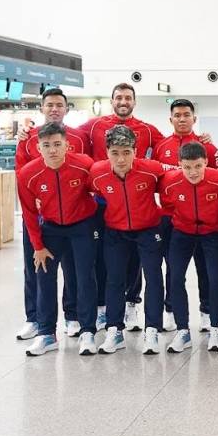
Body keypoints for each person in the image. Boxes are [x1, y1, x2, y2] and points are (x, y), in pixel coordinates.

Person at [78, 83, 167, 333]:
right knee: (105, 259)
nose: (123, 101)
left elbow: (170, 150)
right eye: (119, 97)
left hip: (137, 202)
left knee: (136, 258)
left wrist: (200, 141)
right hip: (105, 202)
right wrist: (29, 134)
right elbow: (65, 136)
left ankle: (131, 304)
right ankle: (104, 309)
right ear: (112, 101)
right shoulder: (94, 125)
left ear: (134, 102)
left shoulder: (147, 129)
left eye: (128, 97)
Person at [14, 87, 92, 341]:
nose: (55, 109)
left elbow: (88, 173)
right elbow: (22, 173)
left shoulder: (80, 137)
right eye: (50, 105)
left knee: (73, 269)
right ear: (42, 108)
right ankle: (34, 319)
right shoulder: (27, 137)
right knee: (36, 267)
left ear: (66, 109)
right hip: (41, 217)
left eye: (59, 105)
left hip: (73, 218)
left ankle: (72, 316)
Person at [89, 126, 169, 355]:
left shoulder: (152, 169)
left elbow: (175, 179)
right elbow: (87, 191)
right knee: (114, 280)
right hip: (115, 231)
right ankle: (115, 330)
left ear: (136, 151)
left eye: (126, 152)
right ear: (107, 152)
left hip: (149, 229)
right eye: (115, 153)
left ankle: (152, 330)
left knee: (153, 277)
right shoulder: (98, 172)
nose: (121, 159)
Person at [152, 99, 218, 332]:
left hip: (206, 220)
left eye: (186, 115)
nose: (182, 119)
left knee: (206, 269)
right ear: (171, 119)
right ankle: (171, 311)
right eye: (177, 115)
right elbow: (155, 181)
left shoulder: (208, 148)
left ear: (194, 118)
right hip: (171, 218)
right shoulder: (161, 147)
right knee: (173, 269)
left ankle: (207, 312)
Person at [160, 142, 218, 354]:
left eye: (198, 166)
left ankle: (215, 328)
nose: (193, 172)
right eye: (187, 167)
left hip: (212, 234)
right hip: (182, 233)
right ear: (179, 165)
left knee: (214, 279)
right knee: (175, 278)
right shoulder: (170, 181)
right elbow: (167, 205)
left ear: (206, 162)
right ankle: (182, 330)